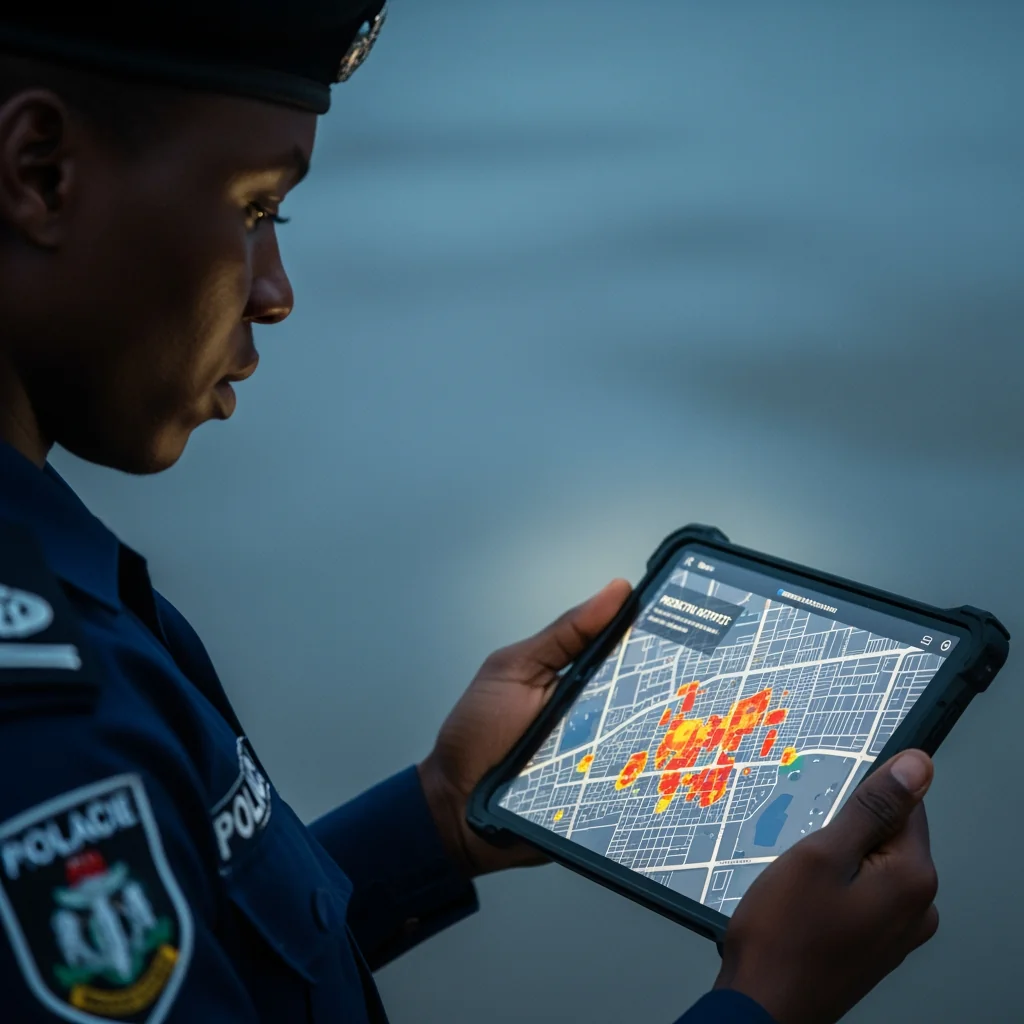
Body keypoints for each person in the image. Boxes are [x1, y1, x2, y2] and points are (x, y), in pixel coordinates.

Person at [0, 4, 940, 1022]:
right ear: (41, 172)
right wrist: (768, 1000)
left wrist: (442, 814)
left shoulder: (57, 599)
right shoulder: (48, 738)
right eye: (256, 207)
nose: (274, 291)